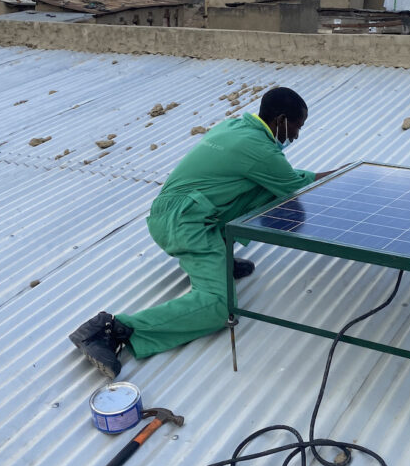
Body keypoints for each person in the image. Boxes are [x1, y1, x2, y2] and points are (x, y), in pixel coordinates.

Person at [70, 87, 339, 378]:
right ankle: (112, 329)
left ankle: (220, 257)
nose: (297, 136)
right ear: (281, 119)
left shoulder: (238, 127)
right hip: (185, 222)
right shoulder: (258, 149)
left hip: (181, 209)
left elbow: (274, 178)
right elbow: (294, 185)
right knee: (218, 307)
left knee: (262, 189)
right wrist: (342, 174)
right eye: (297, 127)